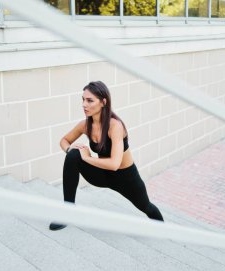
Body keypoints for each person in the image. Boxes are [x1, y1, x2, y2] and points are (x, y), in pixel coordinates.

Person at [49, 81, 164, 231]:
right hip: (102, 174)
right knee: (73, 155)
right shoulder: (85, 125)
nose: (84, 104)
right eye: (83, 100)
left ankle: (164, 230)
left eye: (90, 100)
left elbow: (115, 164)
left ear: (103, 102)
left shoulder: (115, 126)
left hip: (126, 178)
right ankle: (68, 210)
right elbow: (64, 141)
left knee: (146, 206)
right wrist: (71, 149)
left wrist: (87, 157)